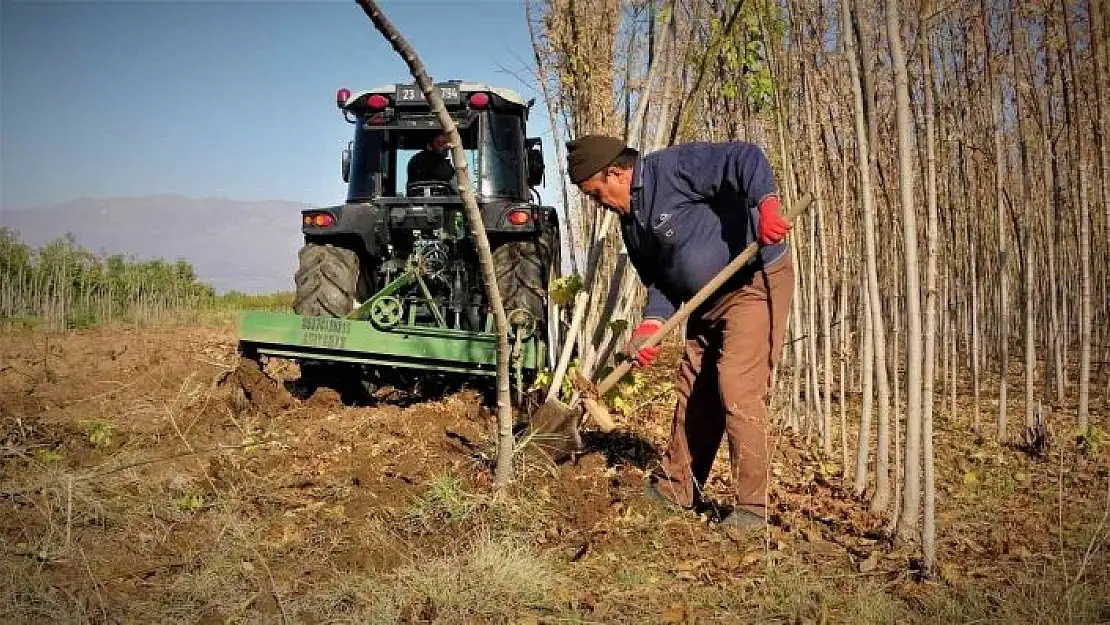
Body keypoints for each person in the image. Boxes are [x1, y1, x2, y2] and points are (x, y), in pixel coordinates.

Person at [565, 134, 794, 532]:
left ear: (616, 173)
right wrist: (650, 326)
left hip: (751, 282)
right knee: (694, 388)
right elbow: (662, 282)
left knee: (736, 386)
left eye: (595, 193)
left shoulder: (671, 169)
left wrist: (767, 205)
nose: (597, 204)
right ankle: (677, 489)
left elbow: (745, 157)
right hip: (702, 300)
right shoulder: (630, 225)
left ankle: (751, 511)